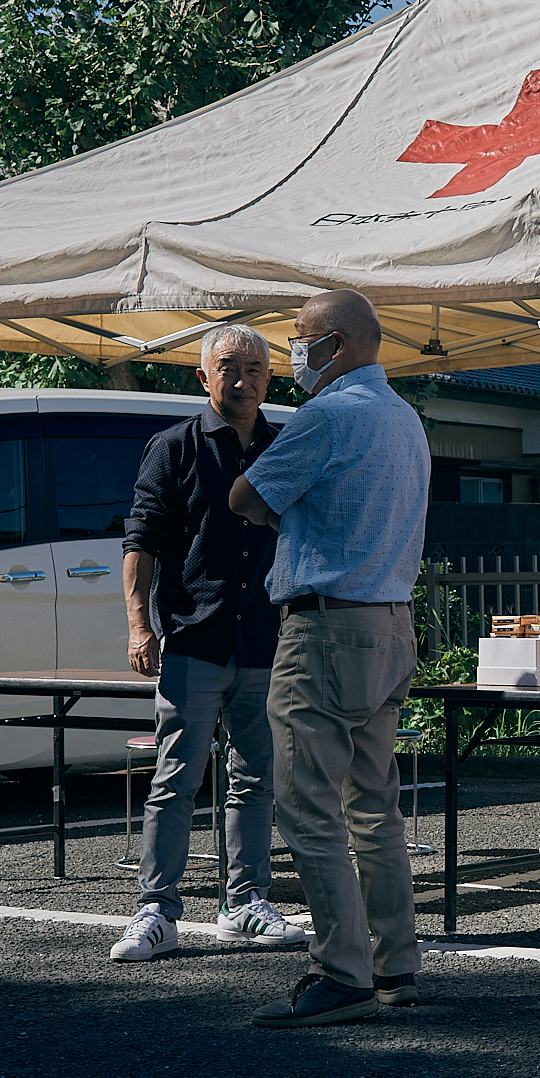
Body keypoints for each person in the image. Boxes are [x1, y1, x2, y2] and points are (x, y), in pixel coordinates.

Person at [229, 289, 430, 1027]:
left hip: (324, 627)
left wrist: (292, 510)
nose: (292, 352)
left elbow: (246, 496)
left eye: (300, 339)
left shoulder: (327, 415)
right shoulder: (406, 419)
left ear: (336, 345)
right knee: (374, 805)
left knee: (307, 801)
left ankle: (340, 970)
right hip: (391, 623)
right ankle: (394, 963)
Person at [109, 324, 309, 961]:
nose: (242, 378)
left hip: (264, 641)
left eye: (254, 368)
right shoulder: (174, 448)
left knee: (255, 780)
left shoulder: (284, 446)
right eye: (228, 366)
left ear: (268, 379)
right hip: (194, 637)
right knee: (176, 778)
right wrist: (139, 626)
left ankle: (245, 903)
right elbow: (140, 540)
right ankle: (157, 911)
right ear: (203, 376)